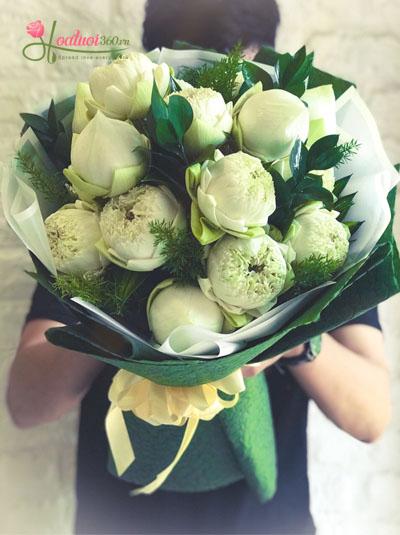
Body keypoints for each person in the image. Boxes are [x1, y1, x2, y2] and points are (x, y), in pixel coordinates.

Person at [7, 1, 391, 534]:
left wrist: (292, 339)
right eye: (193, 83)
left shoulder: (320, 220)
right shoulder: (89, 219)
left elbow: (372, 416)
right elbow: (27, 404)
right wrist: (114, 315)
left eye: (237, 79)